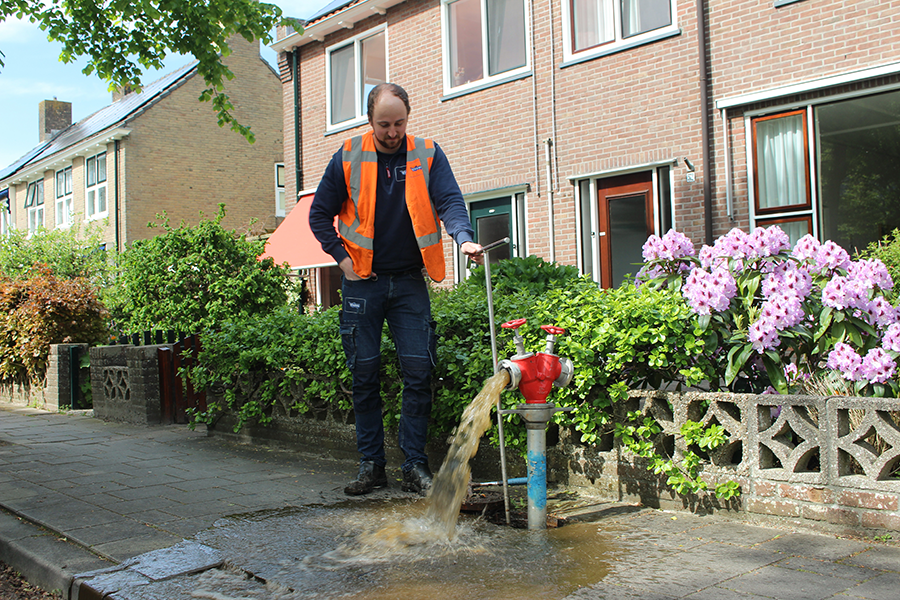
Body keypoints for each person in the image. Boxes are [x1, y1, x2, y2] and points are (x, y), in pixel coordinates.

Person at [309, 83, 484, 496]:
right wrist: (342, 259)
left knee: (419, 373)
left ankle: (414, 466)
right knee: (364, 375)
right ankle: (371, 466)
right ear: (370, 121)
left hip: (409, 283)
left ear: (408, 116)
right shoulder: (348, 156)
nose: (393, 132)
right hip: (362, 285)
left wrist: (464, 238)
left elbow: (450, 202)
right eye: (384, 124)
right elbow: (319, 215)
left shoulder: (427, 153)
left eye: (399, 123)